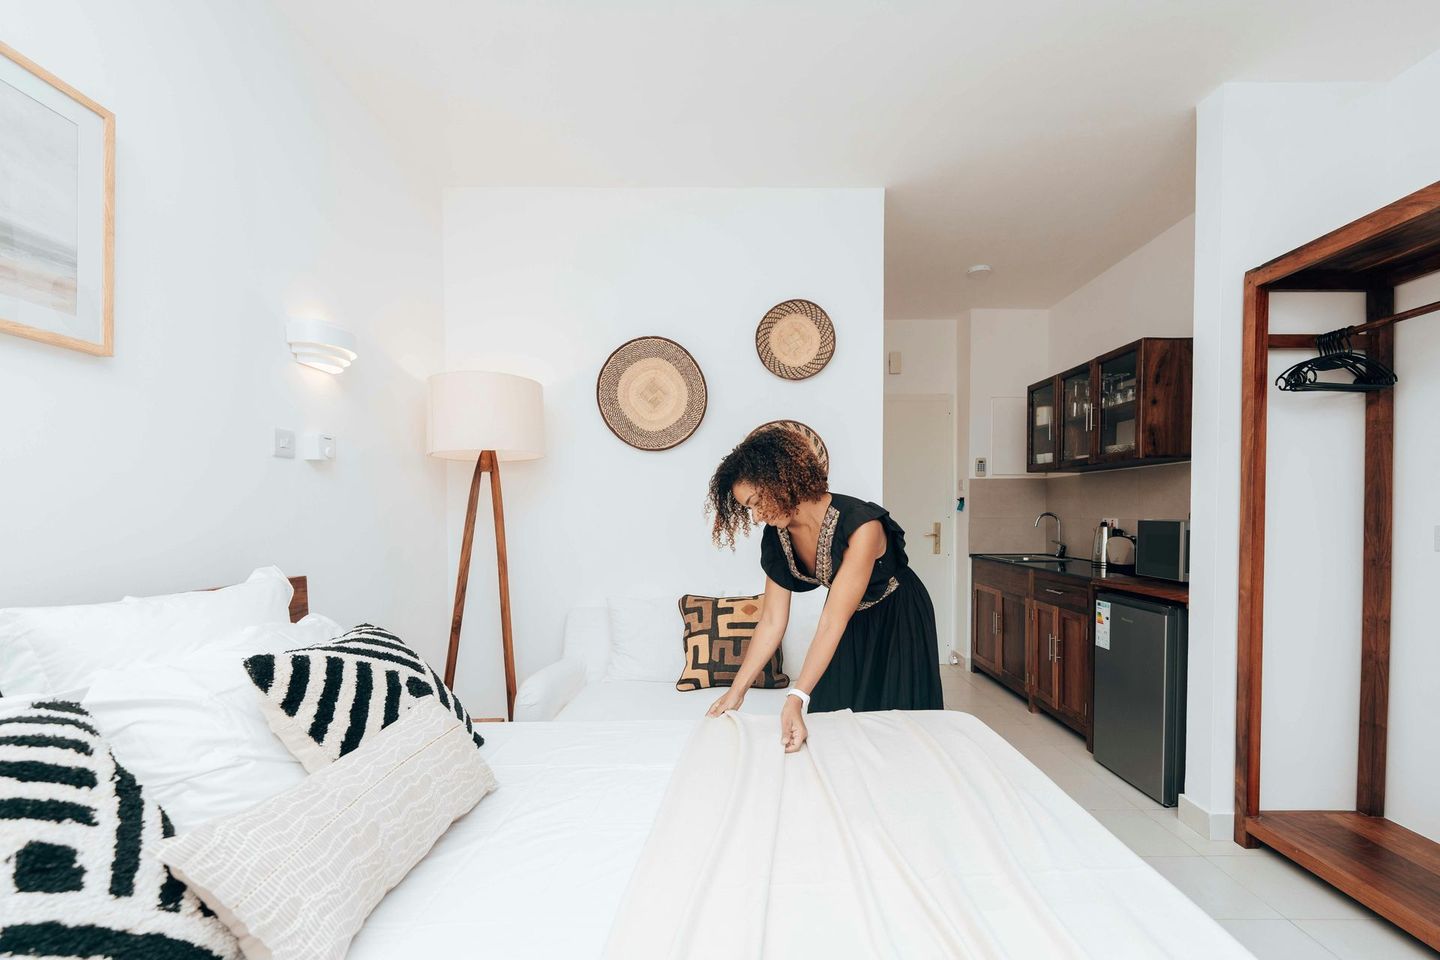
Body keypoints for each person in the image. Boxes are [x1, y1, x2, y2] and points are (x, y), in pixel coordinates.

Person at [703, 429, 943, 752]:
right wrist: (737, 690)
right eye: (749, 509)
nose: (757, 516)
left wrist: (796, 697)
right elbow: (772, 620)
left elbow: (831, 622)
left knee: (897, 733)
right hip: (848, 618)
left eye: (757, 502)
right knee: (832, 723)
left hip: (898, 616)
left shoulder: (862, 525)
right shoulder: (778, 534)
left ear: (780, 479)